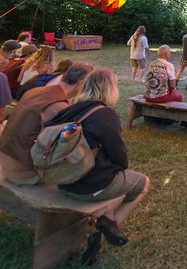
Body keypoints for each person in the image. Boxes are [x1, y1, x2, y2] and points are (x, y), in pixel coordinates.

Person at [46, 70, 149, 264]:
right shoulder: (106, 115)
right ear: (109, 89)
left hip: (63, 180)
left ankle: (107, 215)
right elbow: (121, 159)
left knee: (111, 177)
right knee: (142, 183)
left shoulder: (69, 109)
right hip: (88, 187)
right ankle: (102, 234)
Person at [0, 63, 92, 185]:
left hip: (5, 160)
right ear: (82, 83)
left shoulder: (35, 91)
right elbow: (62, 146)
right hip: (24, 173)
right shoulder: (59, 107)